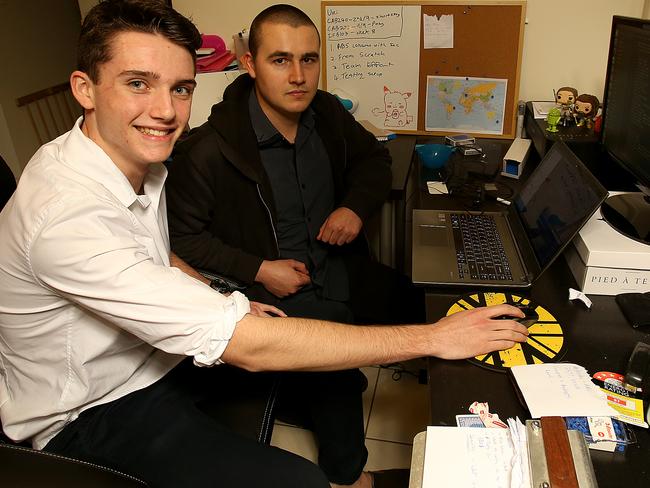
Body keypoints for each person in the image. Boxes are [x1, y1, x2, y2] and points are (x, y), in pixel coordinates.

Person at [0, 2, 529, 488]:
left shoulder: (136, 160)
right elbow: (243, 341)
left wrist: (218, 297)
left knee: (335, 371)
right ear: (85, 88)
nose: (165, 110)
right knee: (299, 480)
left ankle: (354, 478)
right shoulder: (67, 214)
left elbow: (155, 254)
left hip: (155, 355)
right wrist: (434, 338)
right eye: (138, 83)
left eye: (181, 88)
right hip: (91, 410)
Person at [164, 6, 424, 486]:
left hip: (336, 265)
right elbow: (181, 240)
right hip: (269, 291)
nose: (299, 76)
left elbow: (375, 160)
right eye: (281, 60)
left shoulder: (324, 112)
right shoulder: (209, 150)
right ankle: (348, 476)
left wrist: (352, 208)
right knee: (336, 365)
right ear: (250, 64)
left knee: (417, 297)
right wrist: (259, 268)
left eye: (309, 59)